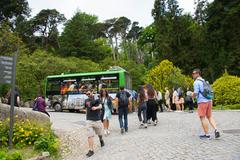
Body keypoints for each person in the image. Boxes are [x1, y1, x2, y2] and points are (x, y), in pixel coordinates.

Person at [192, 69, 220, 139]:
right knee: (209, 116)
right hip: (209, 100)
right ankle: (216, 129)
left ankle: (207, 135)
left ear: (197, 74)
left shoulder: (196, 82)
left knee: (202, 117)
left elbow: (196, 93)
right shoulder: (204, 81)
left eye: (193, 73)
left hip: (202, 101)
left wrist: (191, 95)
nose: (192, 75)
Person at [84, 91, 104, 157]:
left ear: (92, 92)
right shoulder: (86, 100)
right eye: (86, 94)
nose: (88, 95)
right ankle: (91, 150)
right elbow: (86, 108)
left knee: (100, 133)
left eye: (89, 93)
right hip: (89, 120)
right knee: (89, 135)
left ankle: (101, 139)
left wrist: (96, 108)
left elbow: (101, 106)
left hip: (97, 120)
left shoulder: (97, 99)